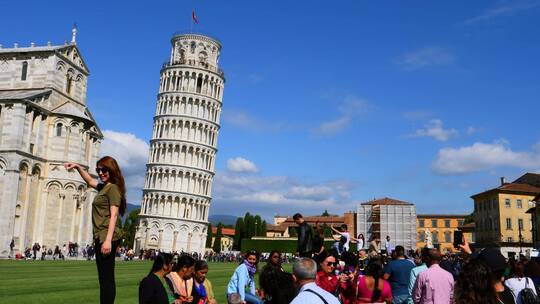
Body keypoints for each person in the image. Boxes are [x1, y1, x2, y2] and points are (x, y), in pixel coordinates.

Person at [65, 156, 127, 304]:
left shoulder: (112, 189)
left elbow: (114, 215)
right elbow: (90, 181)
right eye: (98, 170)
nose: (100, 173)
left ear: (111, 170)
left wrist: (107, 241)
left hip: (107, 236)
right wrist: (78, 167)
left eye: (104, 170)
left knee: (106, 278)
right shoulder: (104, 187)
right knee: (103, 277)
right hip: (101, 236)